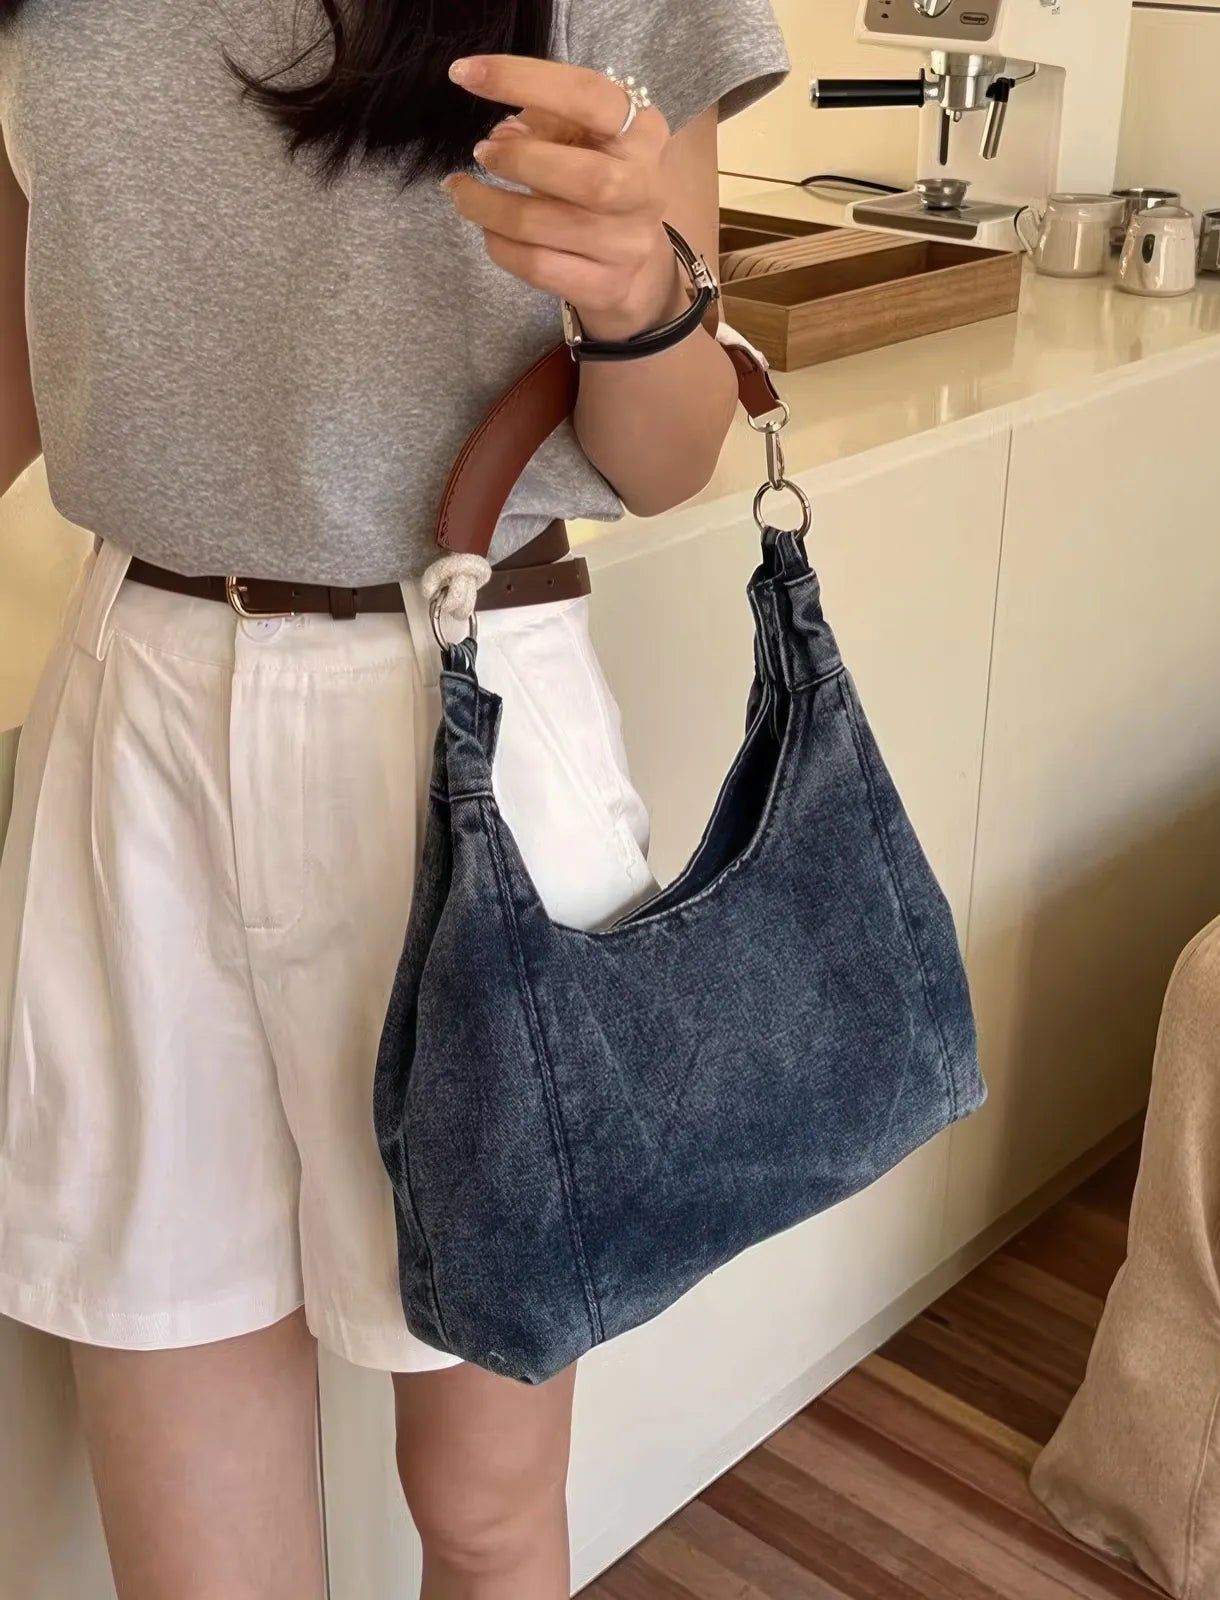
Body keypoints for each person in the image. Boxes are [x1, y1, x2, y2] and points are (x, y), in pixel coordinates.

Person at [0, 2, 790, 1597]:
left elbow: (664, 459)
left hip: (467, 710)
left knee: (485, 1513)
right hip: (138, 698)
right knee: (192, 1561)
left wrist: (642, 304)